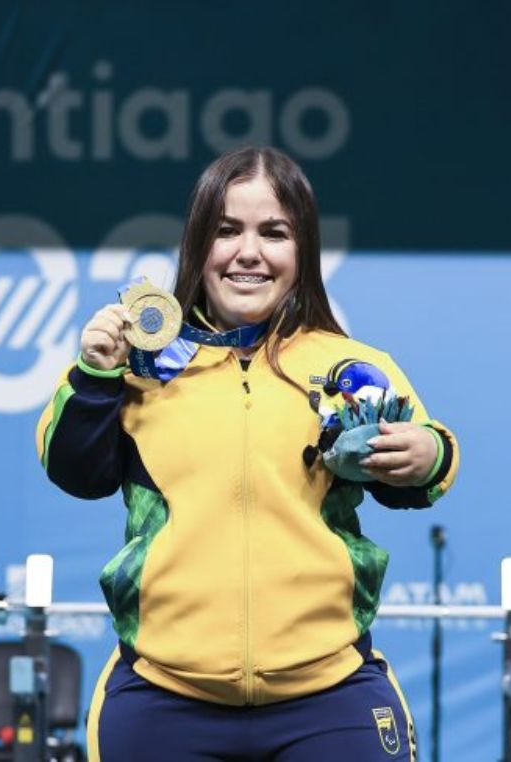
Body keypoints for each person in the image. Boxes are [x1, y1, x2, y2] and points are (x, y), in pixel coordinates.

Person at [35, 146, 459, 761]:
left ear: (303, 251)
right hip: (163, 696)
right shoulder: (142, 364)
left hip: (328, 695)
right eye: (226, 230)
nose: (249, 252)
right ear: (197, 243)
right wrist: (95, 374)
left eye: (274, 232)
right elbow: (74, 470)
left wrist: (428, 455)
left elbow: (418, 475)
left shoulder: (348, 366)